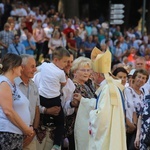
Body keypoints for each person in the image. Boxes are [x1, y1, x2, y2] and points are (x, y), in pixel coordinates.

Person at [73, 47, 127, 150]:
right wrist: (85, 101)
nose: (91, 76)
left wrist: (91, 114)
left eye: (92, 73)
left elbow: (101, 117)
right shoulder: (112, 87)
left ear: (98, 74)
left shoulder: (107, 89)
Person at [0, 53, 34, 150]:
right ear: (14, 67)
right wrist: (26, 129)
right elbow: (8, 111)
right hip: (7, 133)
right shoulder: (4, 83)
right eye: (20, 66)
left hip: (15, 134)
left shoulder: (12, 83)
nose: (22, 68)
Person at [39, 47, 70, 150]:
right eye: (65, 61)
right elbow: (64, 83)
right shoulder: (61, 73)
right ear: (56, 59)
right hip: (53, 100)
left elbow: (37, 70)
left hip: (42, 97)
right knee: (60, 121)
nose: (66, 64)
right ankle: (57, 144)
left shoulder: (44, 65)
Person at [15, 54, 40, 150]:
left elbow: (37, 109)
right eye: (32, 66)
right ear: (22, 67)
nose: (35, 69)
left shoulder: (34, 85)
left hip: (31, 134)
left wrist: (34, 131)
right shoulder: (11, 85)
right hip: (15, 133)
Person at [124, 69, 148, 150]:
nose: (141, 79)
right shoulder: (128, 90)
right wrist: (132, 124)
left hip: (141, 128)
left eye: (144, 78)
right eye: (139, 77)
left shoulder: (143, 93)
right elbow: (129, 107)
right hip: (130, 126)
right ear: (134, 77)